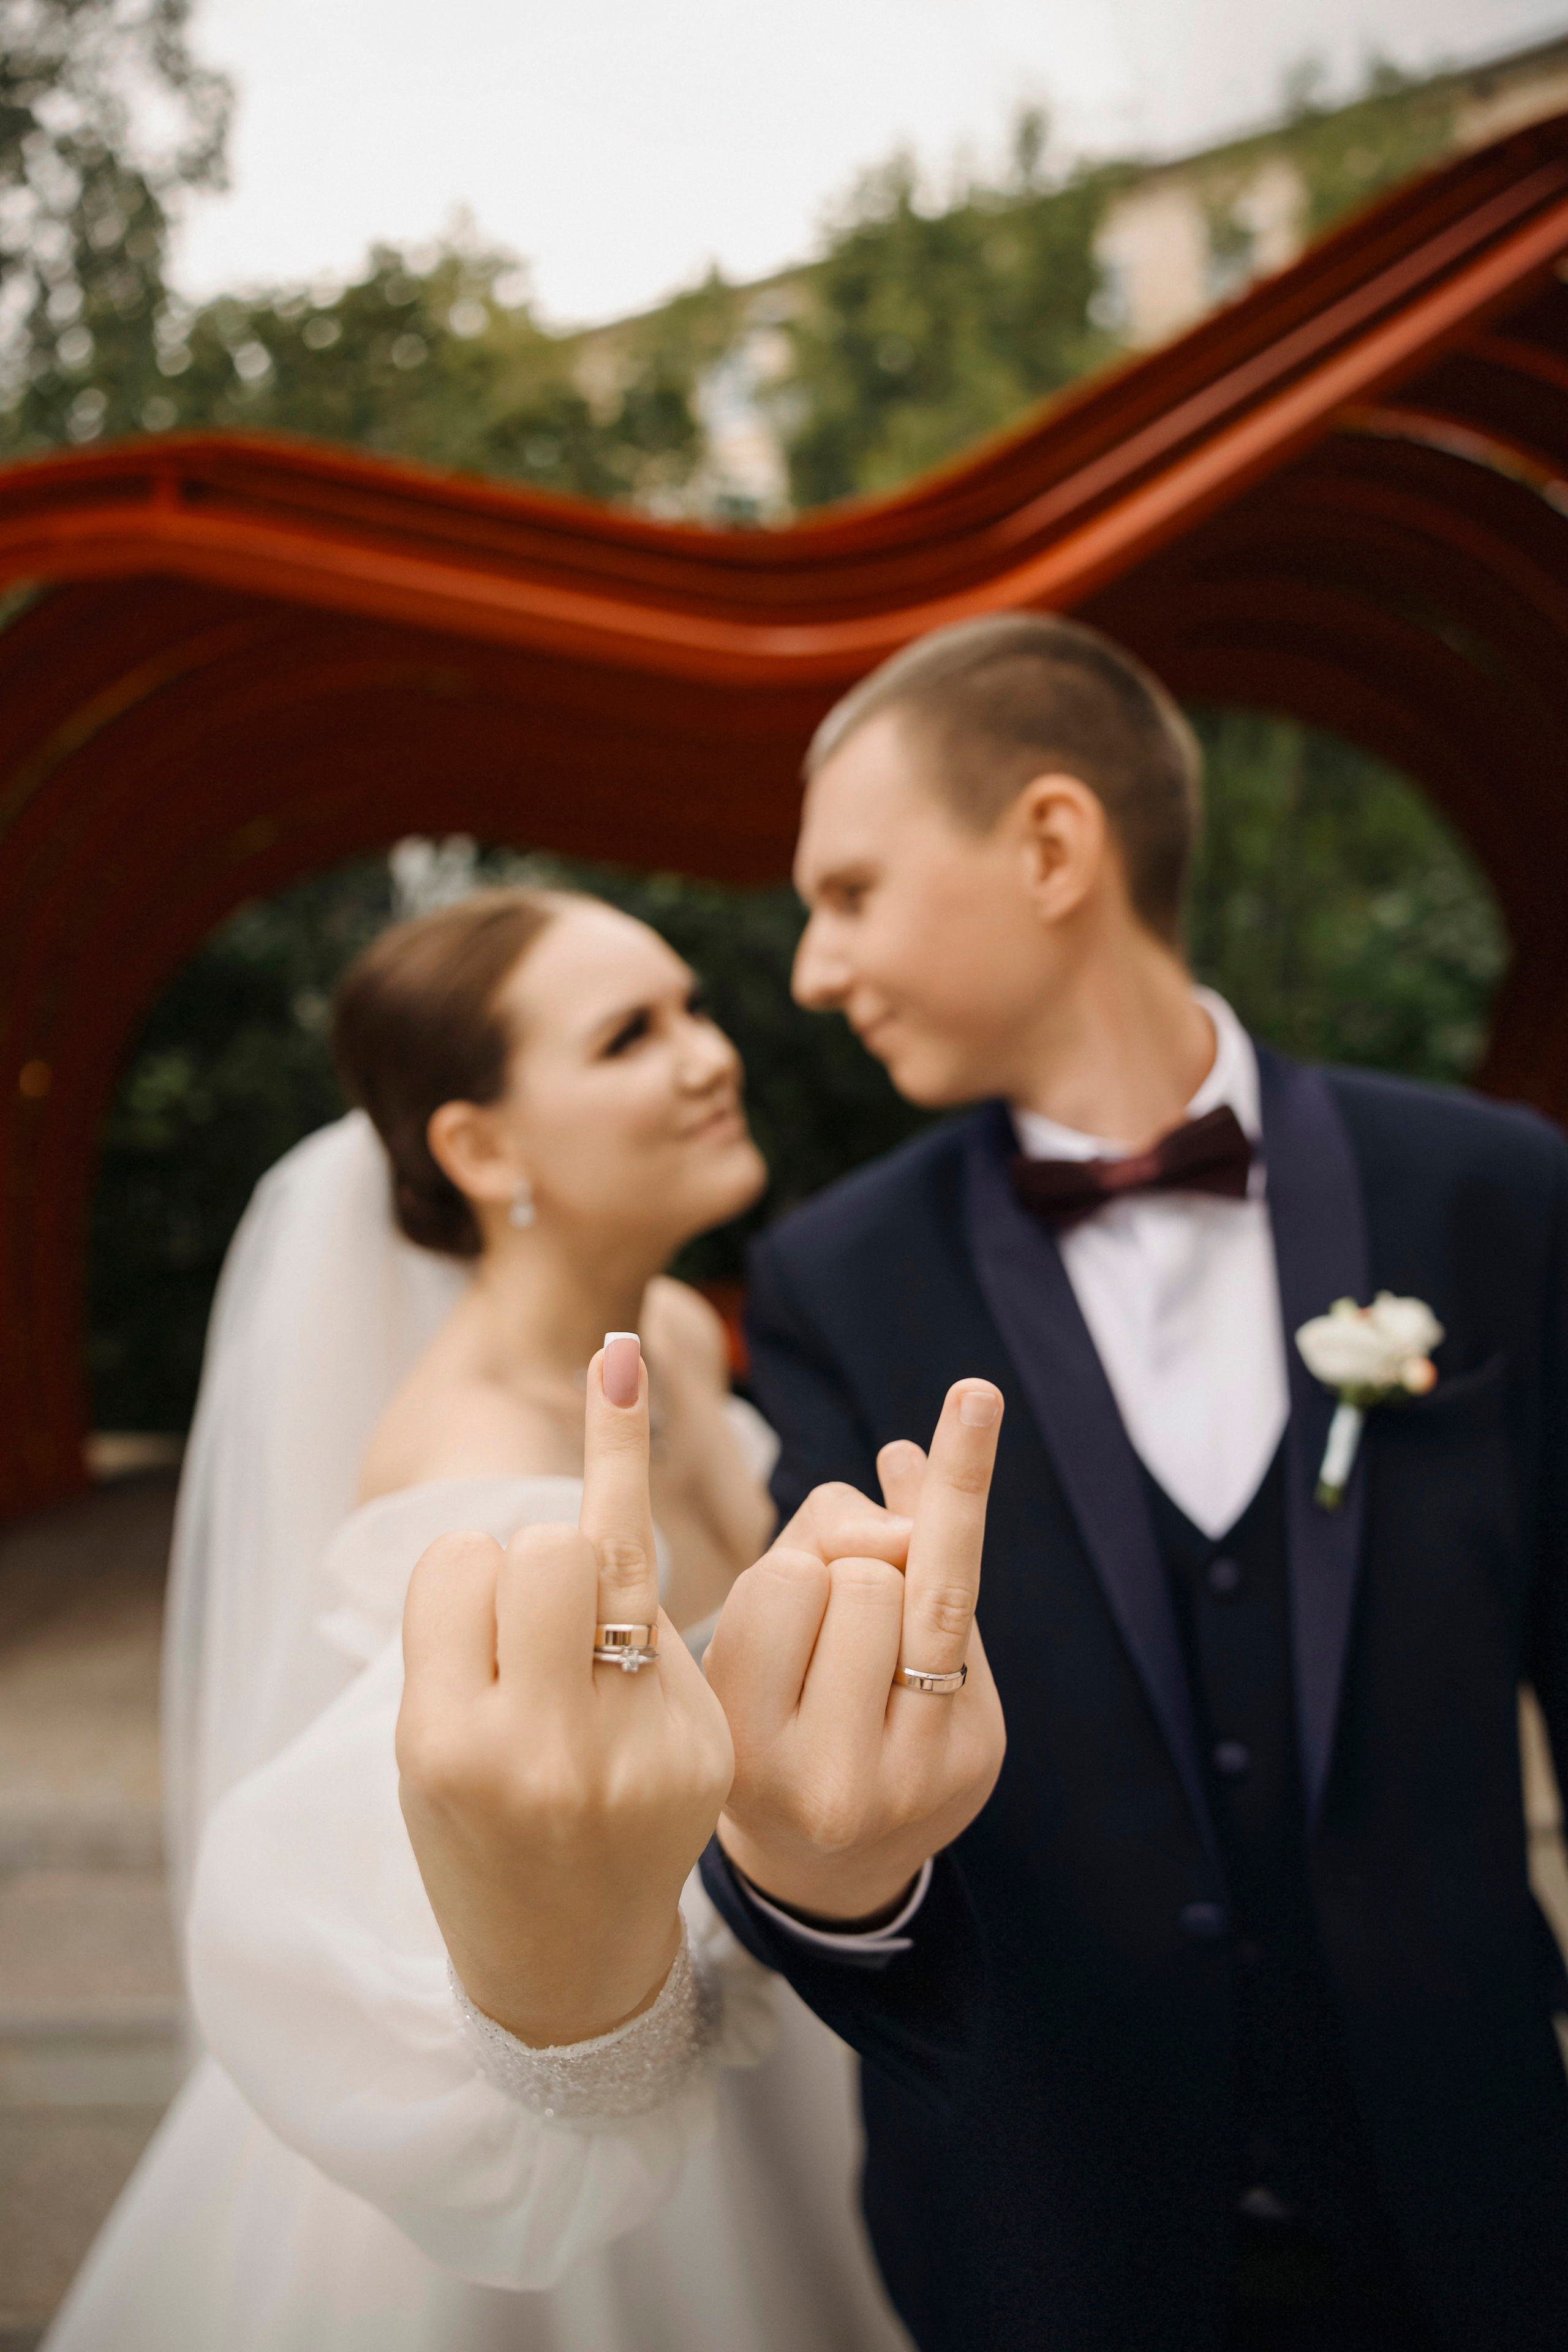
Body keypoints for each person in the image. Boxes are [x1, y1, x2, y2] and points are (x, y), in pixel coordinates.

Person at [682, 614, 1568, 2351]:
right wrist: (807, 1855)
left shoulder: (1497, 1193)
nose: (808, 968)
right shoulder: (834, 1279)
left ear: (1053, 844)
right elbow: (831, 1812)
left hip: (1485, 2213)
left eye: (850, 892)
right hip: (1043, 2243)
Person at [45, 886, 912, 2352]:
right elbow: (487, 1891)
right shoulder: (479, 1477)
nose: (710, 1055)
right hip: (601, 2073)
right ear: (480, 1146)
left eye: (694, 1008)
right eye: (631, 1035)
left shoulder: (683, 1334)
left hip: (786, 2006)